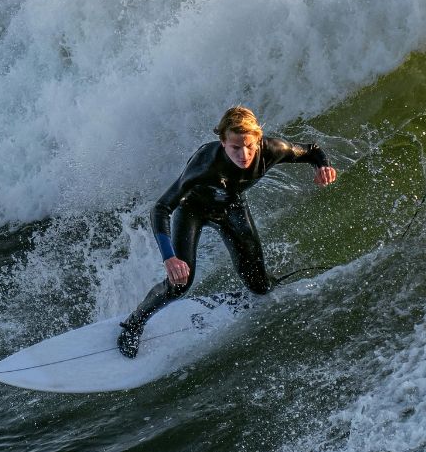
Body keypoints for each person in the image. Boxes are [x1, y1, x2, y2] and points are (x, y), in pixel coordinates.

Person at [117, 106, 337, 358]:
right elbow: (161, 208)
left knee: (260, 286)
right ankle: (133, 323)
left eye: (250, 146)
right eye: (235, 148)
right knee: (180, 284)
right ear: (223, 143)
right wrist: (169, 258)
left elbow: (312, 150)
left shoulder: (272, 150)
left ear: (258, 140)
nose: (244, 154)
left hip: (231, 207)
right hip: (193, 210)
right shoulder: (204, 166)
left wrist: (323, 167)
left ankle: (266, 283)